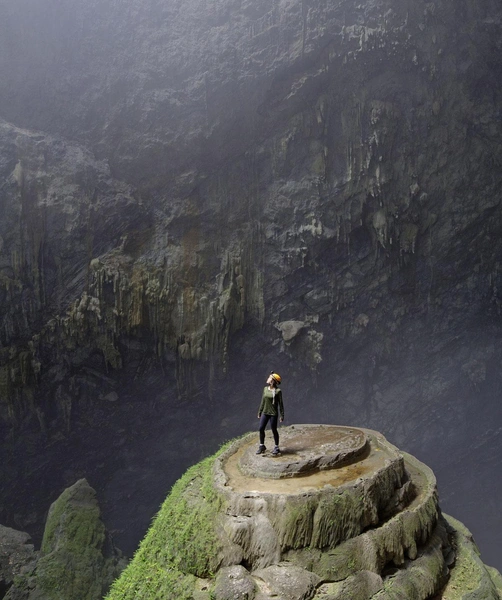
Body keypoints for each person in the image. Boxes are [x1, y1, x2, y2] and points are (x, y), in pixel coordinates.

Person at [256, 372, 284, 455]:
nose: (268, 378)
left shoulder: (278, 391)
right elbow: (263, 401)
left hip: (273, 413)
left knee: (274, 429)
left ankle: (276, 447)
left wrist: (282, 415)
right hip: (265, 412)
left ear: (273, 381)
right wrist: (260, 411)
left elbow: (281, 404)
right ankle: (262, 446)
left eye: (269, 378)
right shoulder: (265, 389)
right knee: (261, 428)